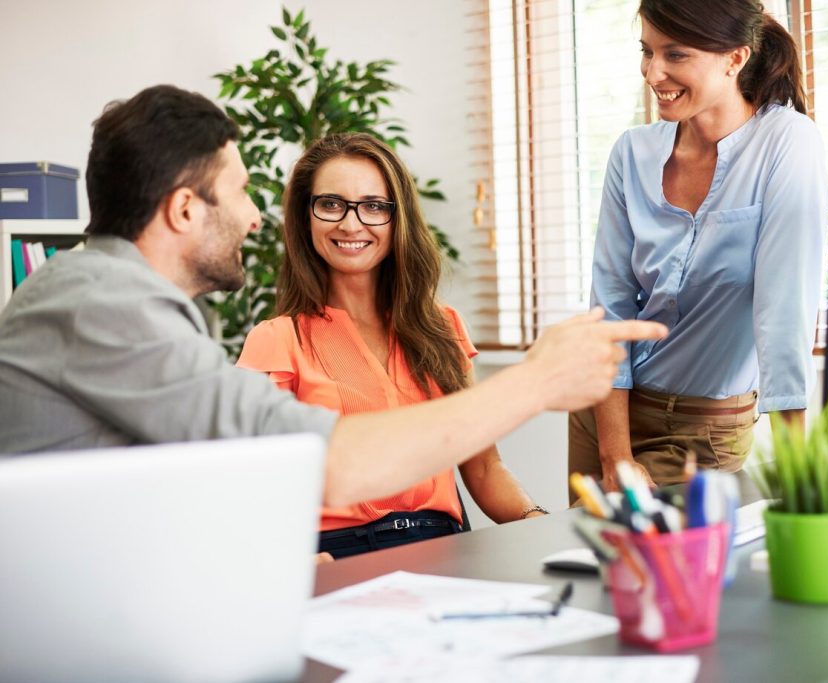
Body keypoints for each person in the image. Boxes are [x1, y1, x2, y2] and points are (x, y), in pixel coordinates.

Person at [0, 85, 668, 522]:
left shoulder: (114, 301)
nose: (257, 217)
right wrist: (537, 379)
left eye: (374, 206)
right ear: (182, 209)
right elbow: (321, 465)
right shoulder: (104, 307)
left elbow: (205, 490)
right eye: (240, 191)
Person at [568, 0, 828, 505]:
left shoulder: (786, 141)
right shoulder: (632, 152)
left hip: (700, 428)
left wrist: (806, 465)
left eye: (676, 54)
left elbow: (783, 309)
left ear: (735, 58)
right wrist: (616, 454)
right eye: (647, 52)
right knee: (603, 577)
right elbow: (610, 305)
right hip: (605, 416)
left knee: (677, 580)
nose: (654, 72)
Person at [236, 133, 546, 558]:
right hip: (340, 555)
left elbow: (486, 468)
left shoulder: (442, 326)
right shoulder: (276, 340)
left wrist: (541, 523)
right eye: (331, 204)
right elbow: (254, 485)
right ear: (305, 216)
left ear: (397, 218)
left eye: (373, 206)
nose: (350, 223)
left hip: (444, 548)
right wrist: (290, 559)